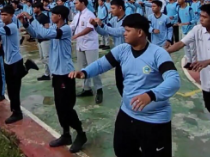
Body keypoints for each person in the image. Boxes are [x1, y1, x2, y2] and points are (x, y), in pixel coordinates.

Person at [69, 14, 180, 157]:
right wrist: (84, 72)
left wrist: (151, 95)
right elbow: (101, 64)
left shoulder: (158, 53)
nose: (124, 33)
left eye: (127, 30)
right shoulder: (122, 50)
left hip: (154, 120)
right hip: (127, 114)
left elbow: (174, 80)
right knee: (122, 151)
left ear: (140, 32)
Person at [19, 6, 87, 153]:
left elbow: (44, 32)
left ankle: (81, 134)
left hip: (66, 74)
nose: (52, 17)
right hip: (57, 74)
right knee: (59, 106)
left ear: (60, 16)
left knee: (67, 107)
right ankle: (66, 134)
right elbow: (38, 34)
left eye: (54, 14)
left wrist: (31, 19)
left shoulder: (65, 30)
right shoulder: (56, 29)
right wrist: (26, 24)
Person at [167, 4, 210, 113]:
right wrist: (165, 51)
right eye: (200, 16)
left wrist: (208, 61)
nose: (201, 19)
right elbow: (181, 43)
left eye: (204, 17)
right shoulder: (197, 29)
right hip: (206, 81)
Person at [71, 0, 103, 104]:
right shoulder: (77, 16)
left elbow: (90, 28)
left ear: (83, 3)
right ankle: (87, 88)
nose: (75, 5)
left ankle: (99, 89)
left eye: (76, 3)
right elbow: (72, 27)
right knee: (82, 68)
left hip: (90, 45)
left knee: (94, 67)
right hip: (80, 45)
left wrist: (77, 35)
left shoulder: (89, 14)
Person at [175, 0, 196, 67]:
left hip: (190, 30)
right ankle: (189, 61)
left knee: (192, 47)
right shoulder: (178, 8)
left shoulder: (189, 8)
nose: (178, 0)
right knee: (185, 46)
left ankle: (194, 62)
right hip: (183, 30)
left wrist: (189, 22)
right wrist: (176, 21)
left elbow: (194, 19)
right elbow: (178, 17)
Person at [33, 2, 51, 81]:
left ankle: (53, 74)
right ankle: (47, 74)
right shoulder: (37, 16)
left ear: (39, 8)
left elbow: (47, 27)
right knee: (42, 58)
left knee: (47, 57)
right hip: (39, 39)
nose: (33, 9)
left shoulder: (43, 16)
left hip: (45, 39)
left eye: (35, 8)